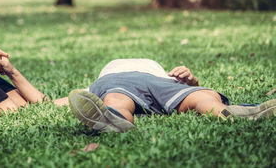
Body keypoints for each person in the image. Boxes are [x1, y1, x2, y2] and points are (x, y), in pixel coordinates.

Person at [68, 59, 276, 133]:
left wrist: (191, 81)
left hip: (120, 81)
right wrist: (193, 85)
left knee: (114, 101)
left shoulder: (97, 85)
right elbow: (193, 89)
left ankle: (115, 119)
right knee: (200, 97)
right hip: (162, 80)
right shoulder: (152, 69)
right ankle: (228, 112)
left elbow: (49, 102)